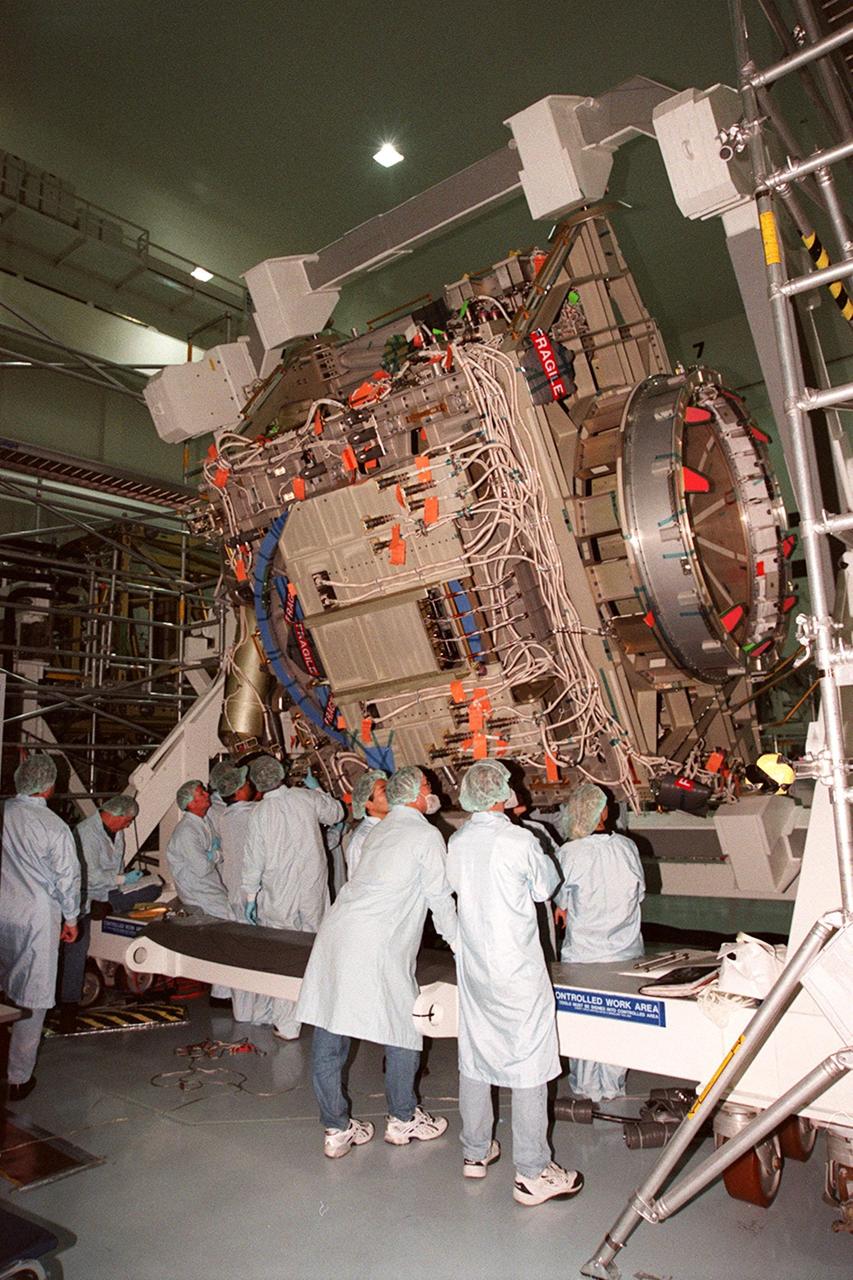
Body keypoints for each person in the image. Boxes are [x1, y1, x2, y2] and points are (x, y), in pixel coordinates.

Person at [296, 765, 456, 1158]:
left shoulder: (379, 831)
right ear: (413, 796)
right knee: (404, 1025)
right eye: (426, 785)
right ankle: (403, 1119)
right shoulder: (425, 834)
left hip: (337, 934)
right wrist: (462, 947)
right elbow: (439, 898)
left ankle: (336, 1129)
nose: (431, 789)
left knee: (331, 1026)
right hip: (376, 943)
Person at [447, 760, 584, 1207]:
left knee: (475, 1053)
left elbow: (454, 889)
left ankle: (475, 1150)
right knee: (529, 1063)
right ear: (501, 794)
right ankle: (532, 1172)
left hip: (475, 968)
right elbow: (545, 888)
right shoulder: (519, 839)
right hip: (517, 970)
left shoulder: (459, 841)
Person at [241, 756, 343, 1040]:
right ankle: (321, 1014)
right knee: (315, 952)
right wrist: (318, 788)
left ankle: (286, 1024)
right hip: (312, 891)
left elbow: (253, 859)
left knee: (284, 957)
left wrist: (250, 896)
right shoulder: (305, 798)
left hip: (279, 896)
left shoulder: (260, 813)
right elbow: (336, 814)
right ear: (283, 773)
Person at [554, 783, 645, 1102]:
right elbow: (640, 893)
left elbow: (561, 902)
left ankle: (584, 1085)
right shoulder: (627, 847)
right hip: (626, 953)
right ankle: (612, 1085)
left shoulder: (569, 853)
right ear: (604, 812)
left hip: (584, 955)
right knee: (620, 1021)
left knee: (585, 1021)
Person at [0, 753, 80, 1100]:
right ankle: (18, 1077)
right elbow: (68, 878)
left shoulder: (4, 812)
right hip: (36, 916)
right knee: (34, 994)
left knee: (5, 988)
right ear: (48, 788)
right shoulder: (54, 827)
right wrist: (72, 917)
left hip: (4, 908)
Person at [57, 793, 160, 1032]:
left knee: (153, 885)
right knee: (77, 949)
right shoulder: (84, 833)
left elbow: (117, 869)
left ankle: (108, 908)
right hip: (84, 895)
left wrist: (126, 880)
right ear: (117, 815)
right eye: (128, 820)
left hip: (108, 894)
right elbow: (87, 875)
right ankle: (68, 1007)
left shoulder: (118, 831)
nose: (129, 825)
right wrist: (121, 878)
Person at [166, 780, 230, 920]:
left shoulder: (204, 822)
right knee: (233, 919)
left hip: (210, 886)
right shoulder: (186, 831)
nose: (207, 794)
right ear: (191, 803)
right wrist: (215, 855)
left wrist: (211, 856)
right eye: (202, 793)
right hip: (198, 893)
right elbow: (202, 868)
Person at [343, 769, 388, 879]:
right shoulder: (362, 839)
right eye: (385, 791)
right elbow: (357, 883)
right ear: (368, 804)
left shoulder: (396, 823)